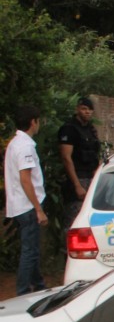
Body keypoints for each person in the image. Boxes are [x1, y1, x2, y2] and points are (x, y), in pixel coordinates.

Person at [4, 106, 48, 295]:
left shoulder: (15, 143)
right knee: (30, 251)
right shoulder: (25, 146)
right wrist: (38, 209)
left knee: (32, 248)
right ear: (33, 121)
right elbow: (25, 178)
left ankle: (38, 285)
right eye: (38, 121)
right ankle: (22, 292)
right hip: (28, 206)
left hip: (20, 205)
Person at [57, 97, 101, 225]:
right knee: (75, 218)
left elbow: (94, 154)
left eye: (90, 110)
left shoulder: (90, 129)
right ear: (77, 109)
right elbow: (66, 157)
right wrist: (77, 185)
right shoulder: (69, 129)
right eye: (84, 109)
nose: (87, 112)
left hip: (90, 177)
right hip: (77, 178)